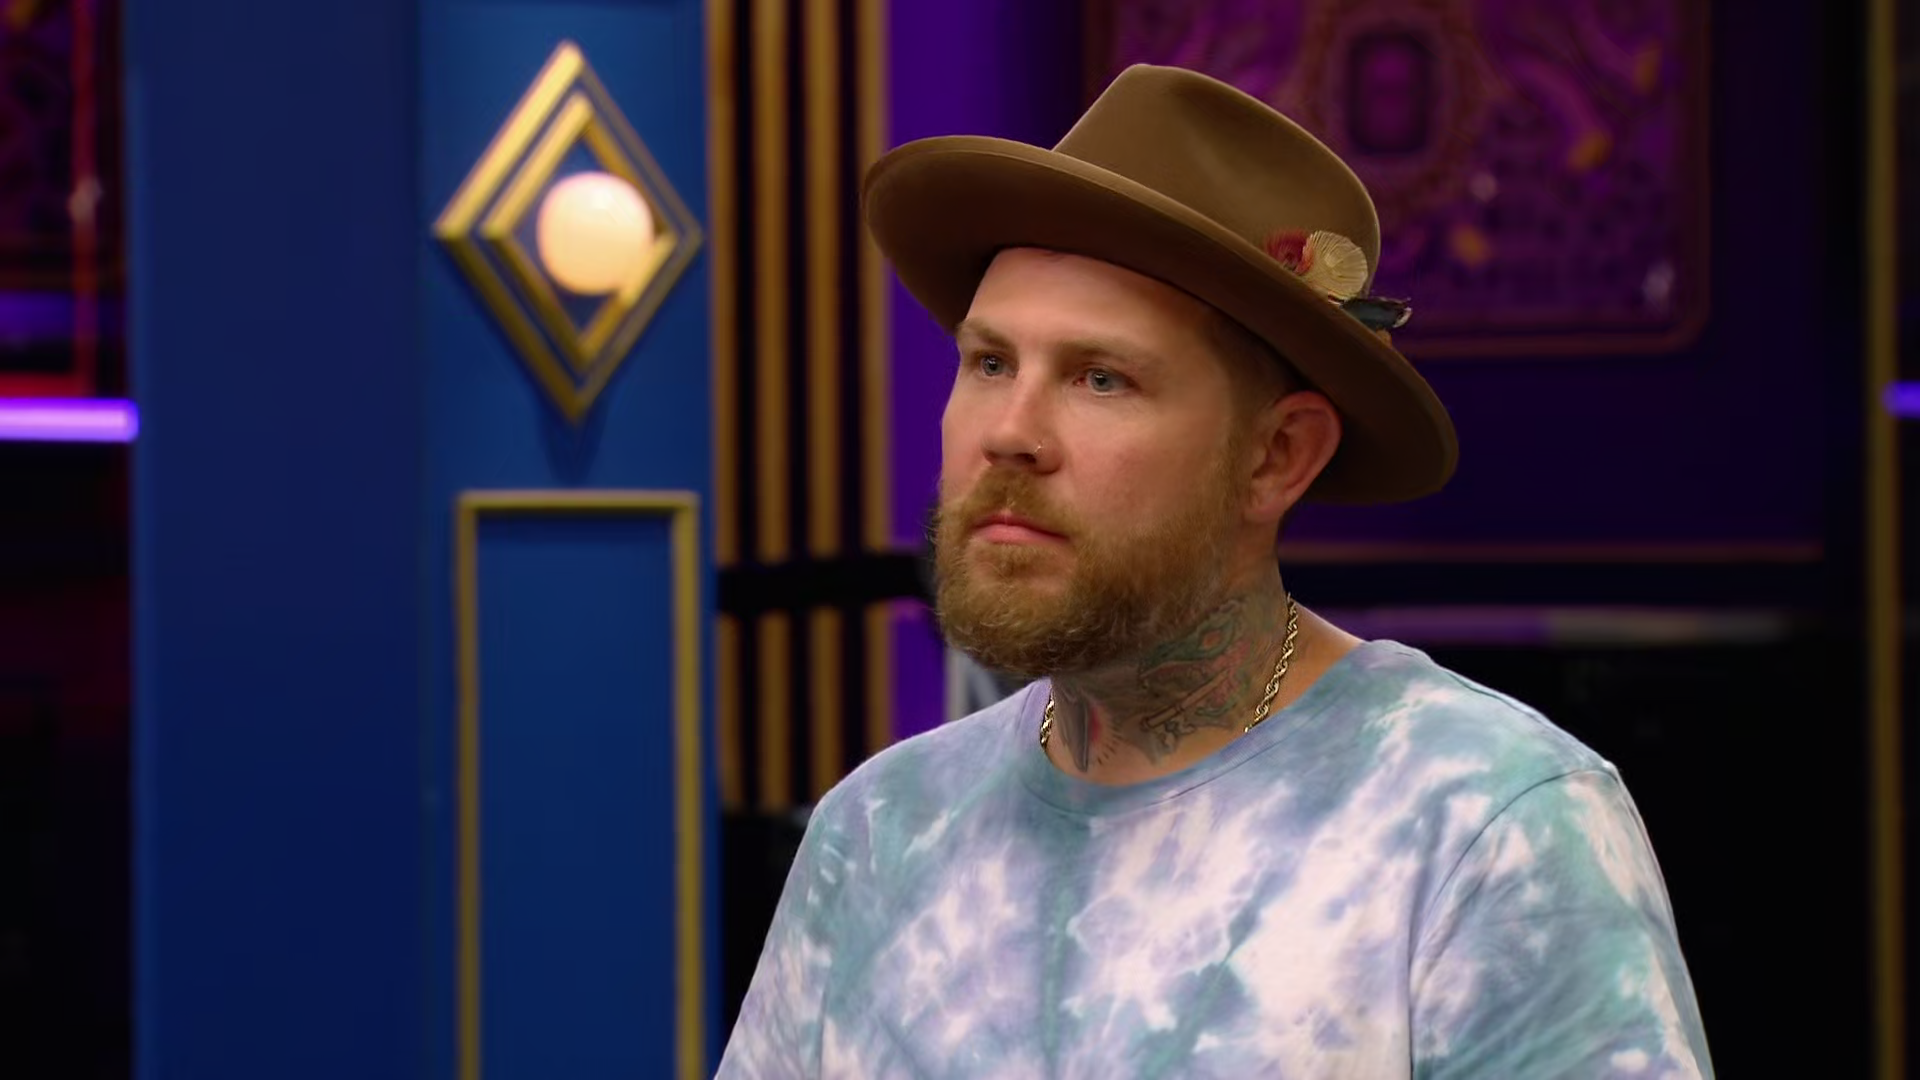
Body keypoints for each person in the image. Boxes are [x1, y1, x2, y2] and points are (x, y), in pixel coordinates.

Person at [716, 64, 1712, 1078]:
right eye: (990, 363)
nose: (1009, 432)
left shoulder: (1483, 822)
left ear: (1277, 456)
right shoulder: (880, 831)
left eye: (1101, 378)